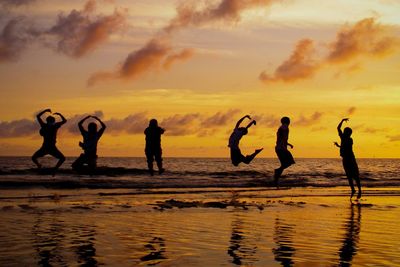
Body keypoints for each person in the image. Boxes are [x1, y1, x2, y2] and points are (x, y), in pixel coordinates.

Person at [334, 118, 361, 199]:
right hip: (348, 159)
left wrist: (342, 121)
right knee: (350, 176)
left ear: (348, 133)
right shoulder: (347, 139)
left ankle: (358, 190)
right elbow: (345, 147)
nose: (344, 132)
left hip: (349, 159)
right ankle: (354, 190)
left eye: (345, 131)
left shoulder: (348, 139)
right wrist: (339, 146)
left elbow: (338, 128)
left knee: (354, 176)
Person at [274, 116, 295, 186]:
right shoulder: (285, 127)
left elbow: (282, 139)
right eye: (289, 121)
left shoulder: (281, 128)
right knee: (288, 163)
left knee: (286, 163)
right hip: (281, 149)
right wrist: (284, 146)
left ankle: (276, 179)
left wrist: (288, 144)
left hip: (280, 148)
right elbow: (282, 138)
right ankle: (277, 173)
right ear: (287, 122)